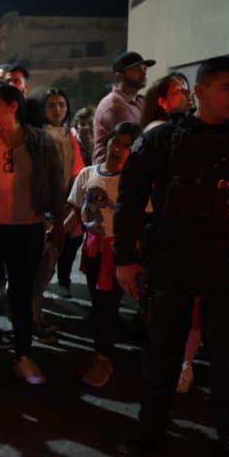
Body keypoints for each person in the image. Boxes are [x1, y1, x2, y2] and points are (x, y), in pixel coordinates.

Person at [114, 56, 229, 457]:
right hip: (171, 258)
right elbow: (130, 201)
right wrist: (124, 258)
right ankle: (150, 430)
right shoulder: (161, 139)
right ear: (200, 92)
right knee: (162, 351)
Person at [0, 81, 65, 387]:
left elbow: (55, 184)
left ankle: (23, 356)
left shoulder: (40, 142)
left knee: (21, 295)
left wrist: (58, 224)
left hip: (27, 229)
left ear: (13, 106)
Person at [65, 122, 141, 388]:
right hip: (92, 249)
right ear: (107, 142)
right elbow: (76, 211)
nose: (119, 149)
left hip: (117, 252)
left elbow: (142, 219)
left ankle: (104, 357)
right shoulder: (87, 174)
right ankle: (101, 351)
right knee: (98, 303)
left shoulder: (133, 183)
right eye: (116, 142)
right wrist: (57, 234)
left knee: (108, 305)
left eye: (127, 146)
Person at [31, 88, 85, 340]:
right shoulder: (39, 137)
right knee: (38, 267)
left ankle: (34, 316)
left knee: (48, 265)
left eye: (62, 104)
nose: (57, 109)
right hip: (46, 209)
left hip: (64, 207)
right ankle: (32, 318)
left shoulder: (70, 135)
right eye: (51, 105)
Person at [93, 51, 153, 164]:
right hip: (112, 170)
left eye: (144, 68)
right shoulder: (114, 105)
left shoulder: (140, 101)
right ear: (119, 76)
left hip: (130, 166)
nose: (143, 73)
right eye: (136, 69)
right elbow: (133, 142)